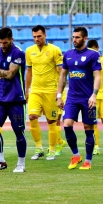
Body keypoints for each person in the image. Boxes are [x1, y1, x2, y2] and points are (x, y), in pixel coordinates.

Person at [56, 27, 101, 170]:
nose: (74, 40)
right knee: (67, 124)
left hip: (88, 98)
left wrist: (94, 94)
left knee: (88, 128)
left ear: (85, 38)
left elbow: (98, 76)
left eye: (77, 37)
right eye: (73, 37)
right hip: (72, 98)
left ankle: (88, 160)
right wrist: (59, 95)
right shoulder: (68, 54)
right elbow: (62, 75)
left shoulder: (93, 55)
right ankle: (76, 154)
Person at [0, 28, 28, 173]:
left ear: (11, 39)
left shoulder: (18, 53)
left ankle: (21, 163)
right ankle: (1, 161)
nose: (3, 45)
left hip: (16, 98)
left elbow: (10, 74)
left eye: (5, 42)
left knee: (18, 131)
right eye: (0, 42)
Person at [25, 25, 66, 161]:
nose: (36, 39)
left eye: (39, 36)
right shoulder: (29, 51)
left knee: (52, 121)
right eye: (34, 37)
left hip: (51, 91)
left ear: (45, 35)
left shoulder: (55, 50)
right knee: (32, 117)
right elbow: (29, 72)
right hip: (35, 90)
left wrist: (59, 93)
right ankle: (38, 148)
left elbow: (62, 72)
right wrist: (26, 90)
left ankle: (52, 150)